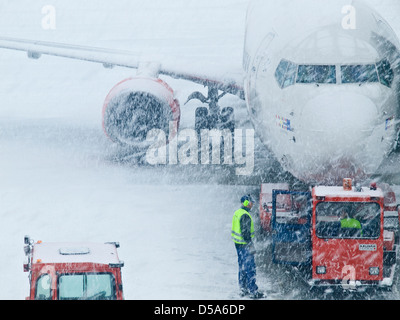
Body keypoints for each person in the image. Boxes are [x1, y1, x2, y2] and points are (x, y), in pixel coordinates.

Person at [231, 195, 264, 299]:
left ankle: (243, 289)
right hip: (245, 245)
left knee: (242, 267)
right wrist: (251, 246)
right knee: (250, 268)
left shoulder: (237, 213)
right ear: (245, 203)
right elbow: (246, 234)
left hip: (238, 245)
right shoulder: (245, 215)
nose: (252, 205)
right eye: (250, 203)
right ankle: (253, 291)